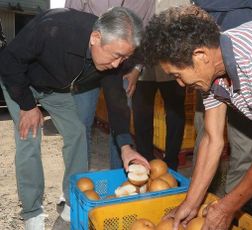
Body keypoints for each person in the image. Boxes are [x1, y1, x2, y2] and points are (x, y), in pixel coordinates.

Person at [141, 5, 252, 230]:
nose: (181, 84)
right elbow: (212, 138)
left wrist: (227, 207)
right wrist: (191, 202)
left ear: (200, 55)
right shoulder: (213, 70)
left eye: (178, 75)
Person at [0, 7, 149, 230]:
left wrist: (126, 145)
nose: (118, 64)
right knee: (29, 137)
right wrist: (28, 106)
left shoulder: (111, 57)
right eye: (116, 56)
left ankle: (73, 202)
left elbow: (116, 100)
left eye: (125, 58)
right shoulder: (54, 27)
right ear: (96, 37)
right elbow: (8, 60)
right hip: (21, 82)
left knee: (77, 132)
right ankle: (33, 212)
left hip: (56, 89)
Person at [192, 0, 252, 195]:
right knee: (209, 139)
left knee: (244, 148)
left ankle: (231, 207)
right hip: (214, 61)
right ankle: (200, 199)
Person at [65, 0, 155, 169]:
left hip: (122, 68)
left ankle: (120, 177)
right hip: (87, 66)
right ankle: (76, 181)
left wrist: (137, 68)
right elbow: (70, 19)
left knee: (121, 121)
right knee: (80, 126)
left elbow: (147, 35)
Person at [132, 0, 190, 171]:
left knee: (175, 115)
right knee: (141, 115)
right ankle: (145, 160)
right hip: (141, 66)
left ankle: (171, 162)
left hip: (173, 65)